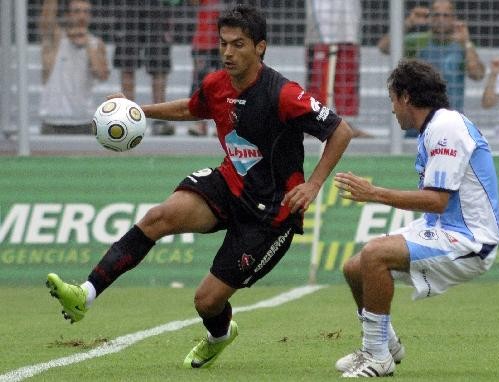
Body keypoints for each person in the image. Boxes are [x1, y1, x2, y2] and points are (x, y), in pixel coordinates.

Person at [46, 5, 353, 369]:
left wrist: (314, 184)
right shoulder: (215, 83)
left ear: (261, 48)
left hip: (271, 214)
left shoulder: (284, 94)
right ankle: (85, 294)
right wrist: (138, 110)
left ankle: (220, 336)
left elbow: (340, 130)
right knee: (159, 216)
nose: (227, 52)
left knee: (206, 302)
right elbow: (193, 108)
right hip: (229, 184)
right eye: (223, 43)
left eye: (238, 45)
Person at [333, 59, 499, 378]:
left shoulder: (446, 128)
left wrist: (374, 193)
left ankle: (376, 354)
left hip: (470, 239)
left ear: (406, 97)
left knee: (374, 255)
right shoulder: (435, 128)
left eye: (393, 100)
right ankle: (386, 345)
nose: (393, 110)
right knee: (355, 268)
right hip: (439, 228)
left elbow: (437, 201)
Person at [378, 0, 485, 137]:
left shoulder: (461, 44)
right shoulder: (417, 41)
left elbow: (477, 75)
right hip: (418, 123)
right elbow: (384, 47)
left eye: (446, 15)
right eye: (436, 15)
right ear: (430, 18)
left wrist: (467, 43)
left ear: (454, 19)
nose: (441, 19)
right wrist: (407, 23)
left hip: (451, 123)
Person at [38, 0, 109, 134]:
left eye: (86, 12)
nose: (81, 16)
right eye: (76, 11)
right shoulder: (55, 39)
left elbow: (102, 75)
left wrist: (86, 43)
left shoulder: (96, 43)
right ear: (67, 15)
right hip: (53, 121)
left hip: (84, 121)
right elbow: (46, 19)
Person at [304, 0, 370, 138]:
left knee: (347, 75)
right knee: (318, 76)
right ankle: (315, 121)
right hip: (320, 21)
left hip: (348, 21)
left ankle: (347, 123)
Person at [113, 0, 178, 135]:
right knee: (127, 60)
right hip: (128, 7)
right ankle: (127, 119)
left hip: (158, 6)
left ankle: (160, 120)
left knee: (159, 62)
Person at [187, 0, 224, 137]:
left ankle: (221, 125)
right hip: (205, 37)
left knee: (225, 84)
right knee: (200, 83)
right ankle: (200, 124)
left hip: (227, 37)